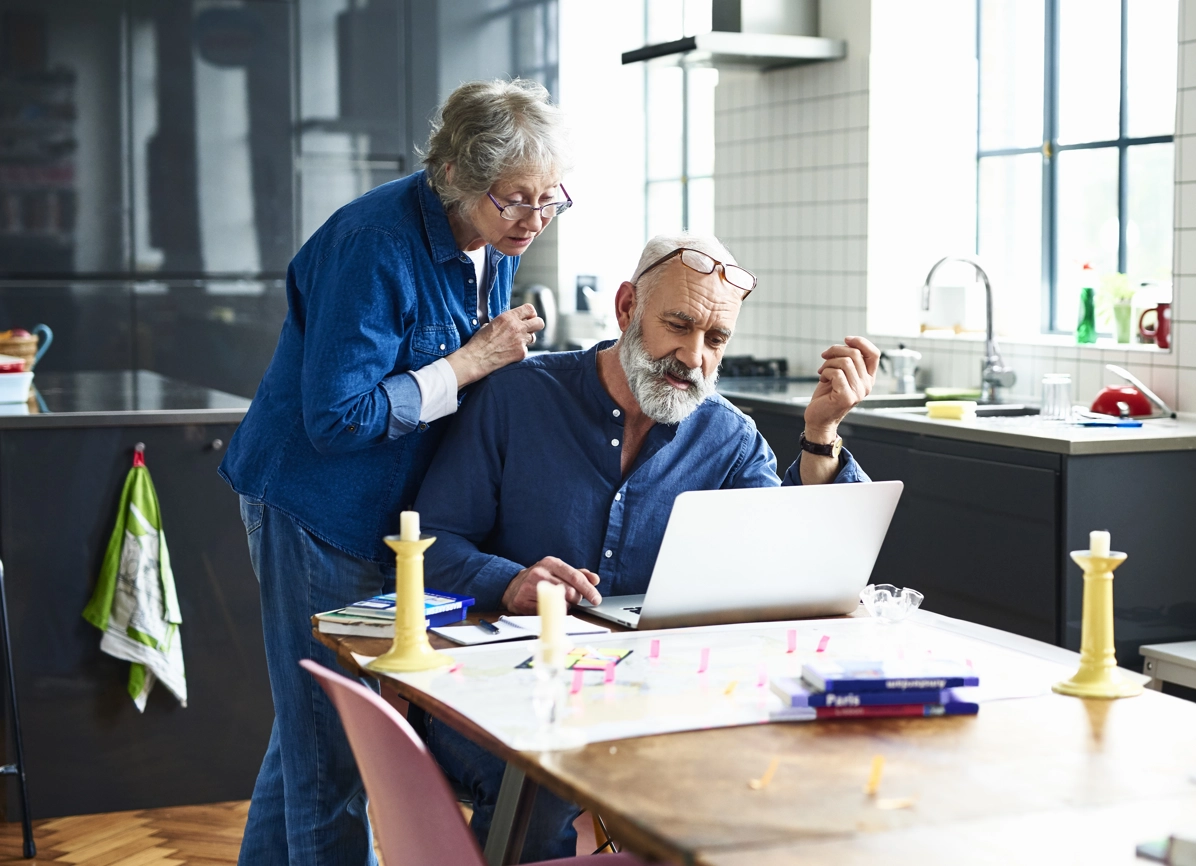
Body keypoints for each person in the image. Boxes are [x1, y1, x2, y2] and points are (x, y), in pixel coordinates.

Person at [414, 232, 878, 859]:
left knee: (765, 776)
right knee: (542, 786)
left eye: (716, 340)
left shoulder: (728, 440)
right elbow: (431, 542)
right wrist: (508, 580)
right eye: (679, 325)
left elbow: (791, 557)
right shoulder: (516, 397)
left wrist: (821, 431)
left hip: (655, 700)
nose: (693, 357)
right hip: (501, 694)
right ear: (628, 306)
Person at [218, 78, 570, 866]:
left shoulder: (494, 238)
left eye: (550, 200)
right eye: (516, 201)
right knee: (333, 751)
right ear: (456, 175)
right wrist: (471, 359)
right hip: (315, 507)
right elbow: (337, 417)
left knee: (311, 730)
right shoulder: (374, 244)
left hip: (384, 518)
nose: (535, 220)